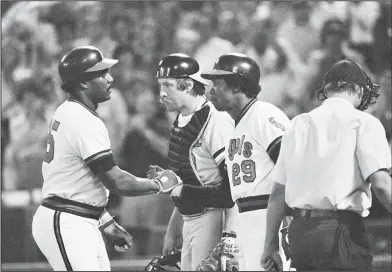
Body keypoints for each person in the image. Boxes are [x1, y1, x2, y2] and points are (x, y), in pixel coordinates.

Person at [31, 46, 178, 271]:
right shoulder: (82, 119)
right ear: (82, 83)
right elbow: (116, 181)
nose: (110, 78)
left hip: (79, 217)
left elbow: (83, 183)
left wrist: (106, 221)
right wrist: (159, 184)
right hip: (67, 220)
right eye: (101, 74)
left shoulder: (71, 111)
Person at [260, 59, 391, 271]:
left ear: (327, 89)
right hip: (340, 231)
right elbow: (382, 184)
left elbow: (277, 193)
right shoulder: (364, 121)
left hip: (300, 232)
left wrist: (269, 245)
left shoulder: (298, 123)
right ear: (358, 89)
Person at [201, 53, 291, 271]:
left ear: (237, 86)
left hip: (270, 218)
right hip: (248, 218)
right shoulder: (237, 125)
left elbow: (292, 169)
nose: (211, 90)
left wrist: (280, 231)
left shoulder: (264, 115)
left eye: (218, 83)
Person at [147, 53, 235, 270]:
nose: (161, 94)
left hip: (214, 218)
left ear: (187, 84)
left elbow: (231, 188)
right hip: (191, 218)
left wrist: (229, 235)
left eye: (167, 85)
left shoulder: (216, 120)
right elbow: (187, 179)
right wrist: (173, 229)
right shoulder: (182, 118)